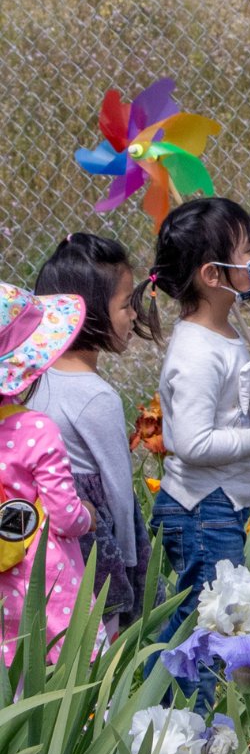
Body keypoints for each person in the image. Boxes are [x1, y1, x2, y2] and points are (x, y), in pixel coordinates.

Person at [132, 197, 250, 709]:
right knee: (208, 629)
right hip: (203, 511)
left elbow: (226, 412)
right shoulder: (195, 353)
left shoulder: (224, 335)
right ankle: (189, 727)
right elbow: (191, 442)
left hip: (217, 506)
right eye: (247, 251)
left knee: (208, 622)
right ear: (213, 273)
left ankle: (188, 721)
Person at [30, 233, 153, 638]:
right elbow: (118, 493)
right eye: (124, 306)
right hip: (91, 547)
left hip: (40, 544)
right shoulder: (96, 397)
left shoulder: (29, 381)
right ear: (88, 316)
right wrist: (131, 572)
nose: (134, 315)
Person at [0, 282, 97, 665]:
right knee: (72, 689)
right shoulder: (36, 430)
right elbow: (64, 515)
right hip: (43, 581)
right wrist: (88, 514)